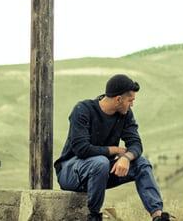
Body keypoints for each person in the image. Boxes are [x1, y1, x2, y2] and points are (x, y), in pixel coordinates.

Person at [54, 74, 170, 221]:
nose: (132, 104)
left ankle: (157, 216)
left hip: (100, 173)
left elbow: (136, 143)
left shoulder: (125, 114)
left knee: (142, 163)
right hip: (71, 172)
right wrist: (114, 150)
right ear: (118, 99)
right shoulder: (83, 109)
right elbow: (81, 149)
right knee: (100, 162)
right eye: (130, 100)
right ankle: (94, 216)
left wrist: (126, 158)